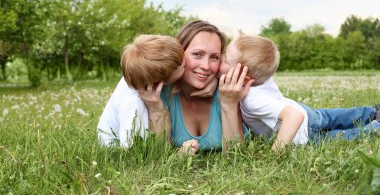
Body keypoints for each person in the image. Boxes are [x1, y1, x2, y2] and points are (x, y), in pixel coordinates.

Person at [218, 34, 380, 151]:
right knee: (336, 117)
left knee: (343, 137)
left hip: (302, 134)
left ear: (245, 78)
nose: (221, 58)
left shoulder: (253, 99)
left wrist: (276, 154)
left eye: (226, 60)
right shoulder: (261, 78)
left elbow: (294, 117)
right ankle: (373, 112)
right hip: (307, 112)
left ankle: (377, 126)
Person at [138, 20, 253, 154]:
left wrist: (229, 104)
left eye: (214, 57)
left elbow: (235, 154)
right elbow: (157, 158)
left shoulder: (228, 90)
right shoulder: (159, 91)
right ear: (179, 53)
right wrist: (156, 110)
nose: (206, 66)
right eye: (197, 54)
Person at [97, 34, 185, 148]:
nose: (185, 61)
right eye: (180, 65)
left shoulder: (139, 75)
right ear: (160, 82)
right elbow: (131, 149)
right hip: (113, 147)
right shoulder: (133, 104)